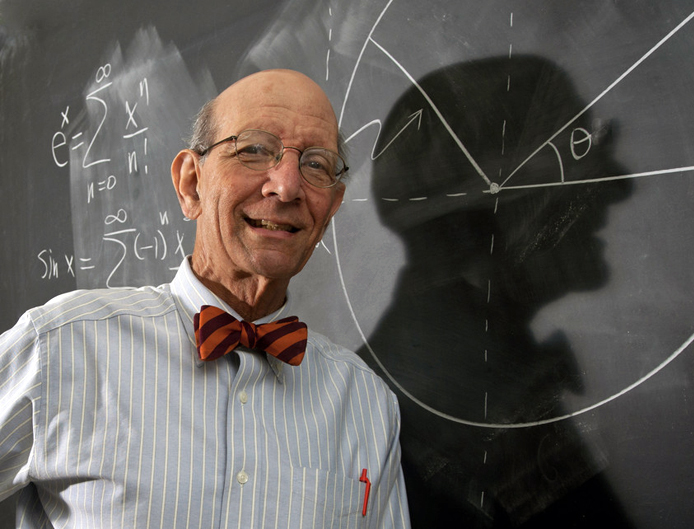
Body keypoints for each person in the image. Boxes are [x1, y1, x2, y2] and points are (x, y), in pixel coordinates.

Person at [0, 69, 410, 528]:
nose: (287, 185)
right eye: (254, 150)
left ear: (331, 207)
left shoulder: (367, 407)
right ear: (191, 183)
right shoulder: (61, 347)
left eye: (315, 164)